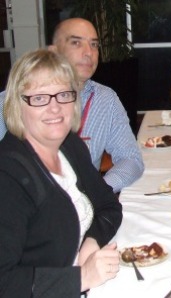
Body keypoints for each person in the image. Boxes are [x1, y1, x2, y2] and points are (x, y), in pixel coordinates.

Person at [0, 49, 122, 297]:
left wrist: (91, 241)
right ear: (17, 104)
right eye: (39, 98)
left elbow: (109, 206)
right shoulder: (8, 176)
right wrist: (81, 277)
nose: (55, 108)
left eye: (63, 95)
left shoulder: (69, 146)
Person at [0, 18, 144, 194]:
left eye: (94, 45)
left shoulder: (106, 100)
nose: (88, 53)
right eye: (76, 43)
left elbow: (131, 159)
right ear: (54, 51)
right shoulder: (11, 101)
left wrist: (97, 192)